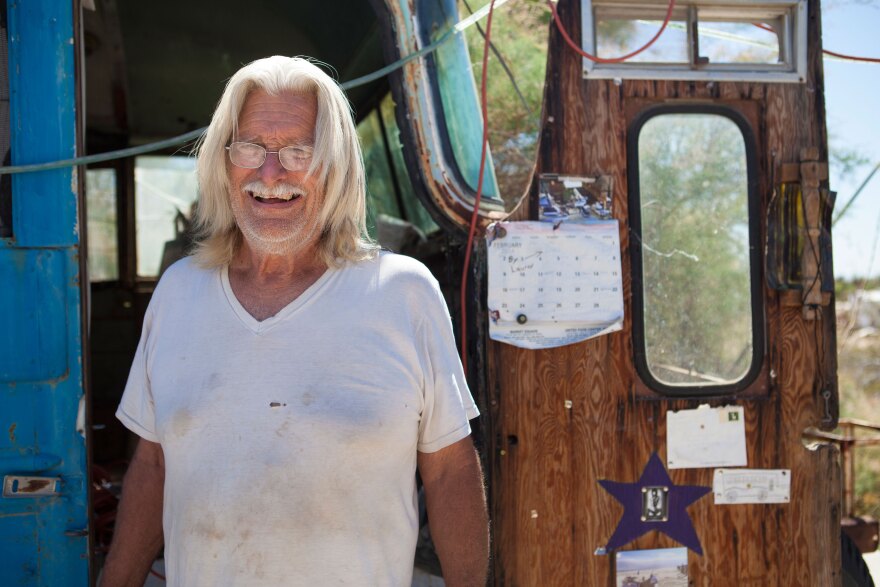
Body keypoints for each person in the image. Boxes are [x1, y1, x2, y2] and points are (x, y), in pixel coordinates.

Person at [100, 56, 489, 587]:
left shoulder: (402, 293)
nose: (270, 173)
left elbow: (449, 471)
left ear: (336, 167)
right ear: (223, 161)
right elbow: (154, 465)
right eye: (251, 147)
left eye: (297, 151)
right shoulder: (178, 292)